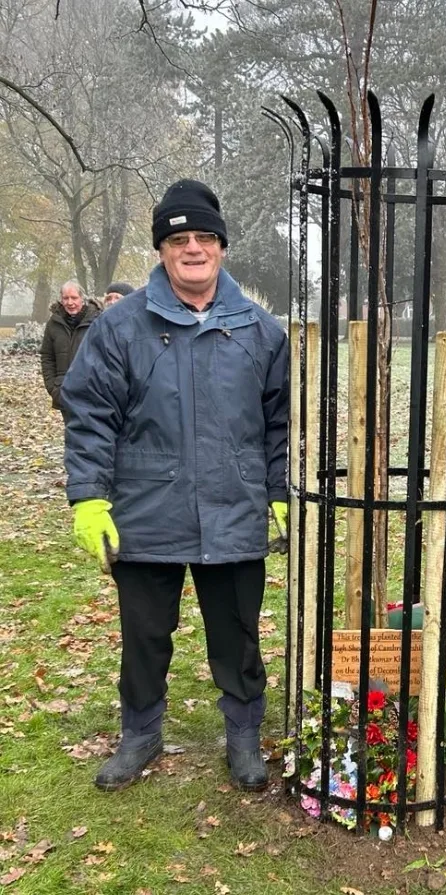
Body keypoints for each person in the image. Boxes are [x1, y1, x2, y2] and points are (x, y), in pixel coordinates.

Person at [60, 180, 289, 793]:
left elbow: (280, 424)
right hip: (145, 511)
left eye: (204, 237)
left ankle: (242, 735)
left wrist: (282, 491)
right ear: (162, 249)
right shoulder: (120, 328)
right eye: (178, 238)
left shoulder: (263, 332)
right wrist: (87, 497)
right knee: (144, 637)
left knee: (238, 635)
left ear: (221, 246)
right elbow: (89, 414)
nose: (193, 248)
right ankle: (141, 732)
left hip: (234, 509)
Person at [40, 281, 101, 414]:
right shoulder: (54, 323)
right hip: (64, 393)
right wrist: (53, 387)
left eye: (74, 298)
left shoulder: (97, 321)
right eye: (65, 298)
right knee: (71, 432)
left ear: (82, 299)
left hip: (93, 394)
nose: (69, 302)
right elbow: (47, 356)